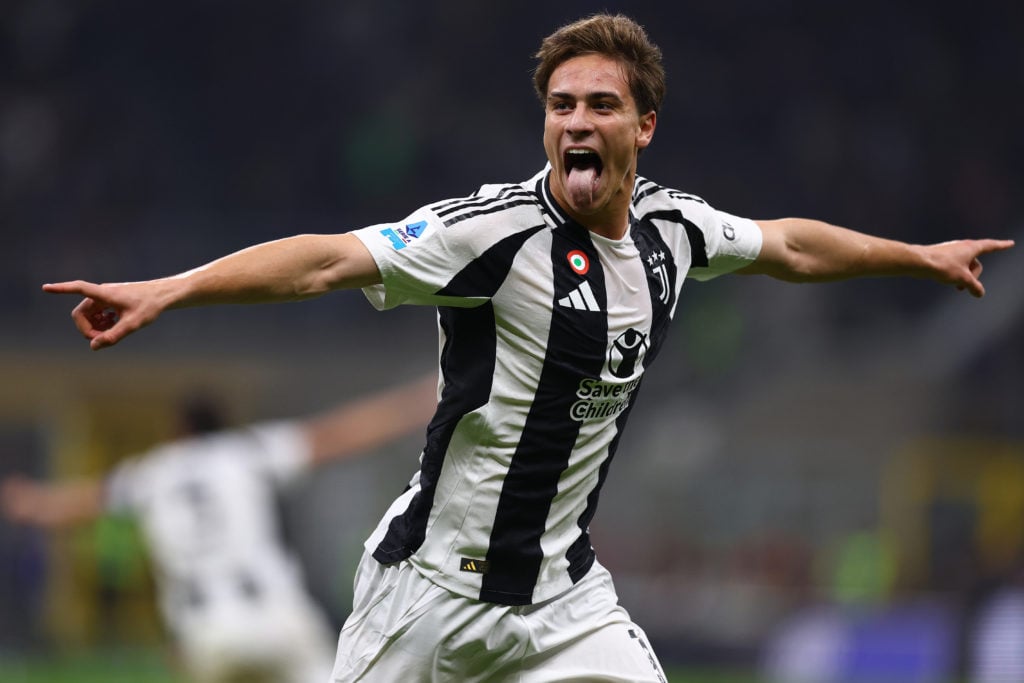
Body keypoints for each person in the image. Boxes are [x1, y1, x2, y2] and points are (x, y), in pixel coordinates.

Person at [41, 13, 1014, 682]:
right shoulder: (490, 233)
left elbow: (792, 242)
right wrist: (174, 285)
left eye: (598, 103)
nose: (576, 121)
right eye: (560, 105)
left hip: (561, 597)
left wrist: (916, 256)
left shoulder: (678, 230)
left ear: (644, 123)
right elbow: (327, 260)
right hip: (425, 594)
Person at [2, 374, 437, 683]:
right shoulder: (246, 451)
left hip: (205, 636)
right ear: (223, 424)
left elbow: (76, 503)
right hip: (276, 620)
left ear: (179, 430)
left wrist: (29, 502)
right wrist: (421, 399)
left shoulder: (153, 470)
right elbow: (338, 435)